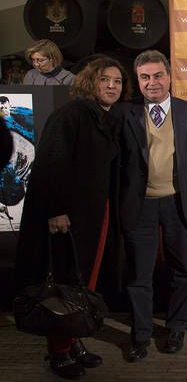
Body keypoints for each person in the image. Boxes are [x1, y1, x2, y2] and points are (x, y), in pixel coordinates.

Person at [14, 57, 128, 380]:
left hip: (93, 213)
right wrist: (57, 209)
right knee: (64, 283)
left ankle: (72, 338)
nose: (112, 86)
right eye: (104, 79)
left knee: (82, 280)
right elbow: (52, 162)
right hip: (67, 216)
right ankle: (59, 352)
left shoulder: (102, 117)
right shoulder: (72, 114)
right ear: (90, 82)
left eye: (117, 81)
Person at [119, 50, 187, 361]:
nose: (152, 82)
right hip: (140, 207)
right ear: (137, 81)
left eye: (158, 75)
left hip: (178, 203)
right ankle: (140, 335)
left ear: (170, 76)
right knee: (140, 275)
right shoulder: (124, 112)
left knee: (181, 271)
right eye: (145, 77)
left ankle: (176, 328)